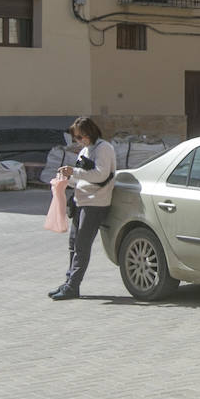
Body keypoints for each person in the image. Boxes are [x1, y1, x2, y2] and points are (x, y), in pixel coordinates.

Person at [49, 116, 116, 301]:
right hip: (81, 201)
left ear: (89, 133)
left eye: (80, 137)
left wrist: (74, 172)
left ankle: (72, 286)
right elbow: (80, 177)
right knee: (73, 244)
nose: (78, 141)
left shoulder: (104, 148)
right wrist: (66, 178)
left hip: (96, 202)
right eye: (76, 138)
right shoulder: (85, 150)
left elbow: (100, 174)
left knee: (82, 246)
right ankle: (69, 282)